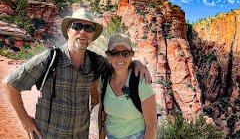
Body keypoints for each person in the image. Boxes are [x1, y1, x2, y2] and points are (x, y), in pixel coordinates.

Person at [2, 8, 151, 139]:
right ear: (68, 30)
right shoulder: (50, 59)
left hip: (80, 134)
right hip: (49, 134)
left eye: (88, 28)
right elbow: (10, 84)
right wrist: (24, 120)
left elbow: (119, 62)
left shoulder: (96, 61)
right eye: (77, 26)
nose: (82, 32)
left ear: (92, 35)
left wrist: (135, 63)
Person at [99, 33, 157, 139]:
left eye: (125, 53)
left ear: (131, 55)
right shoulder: (104, 79)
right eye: (115, 53)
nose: (120, 57)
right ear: (108, 55)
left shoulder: (141, 81)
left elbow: (151, 126)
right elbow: (104, 115)